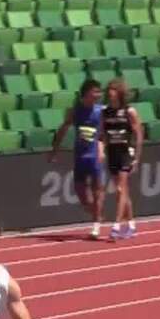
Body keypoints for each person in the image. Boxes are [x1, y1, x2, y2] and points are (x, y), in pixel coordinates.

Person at [49, 79, 107, 240]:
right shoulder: (75, 111)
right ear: (86, 93)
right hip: (80, 156)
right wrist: (55, 150)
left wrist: (102, 148)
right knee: (81, 193)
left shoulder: (101, 111)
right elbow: (63, 129)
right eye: (95, 91)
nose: (98, 95)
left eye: (99, 92)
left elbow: (104, 133)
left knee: (98, 189)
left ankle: (96, 225)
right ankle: (96, 212)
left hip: (94, 156)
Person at [100, 79, 144, 240]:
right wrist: (102, 149)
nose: (110, 93)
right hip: (112, 152)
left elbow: (139, 134)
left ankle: (116, 225)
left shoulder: (129, 111)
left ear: (119, 92)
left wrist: (136, 157)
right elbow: (102, 134)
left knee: (120, 189)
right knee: (123, 190)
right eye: (109, 90)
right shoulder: (105, 112)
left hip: (126, 152)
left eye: (113, 90)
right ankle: (131, 224)